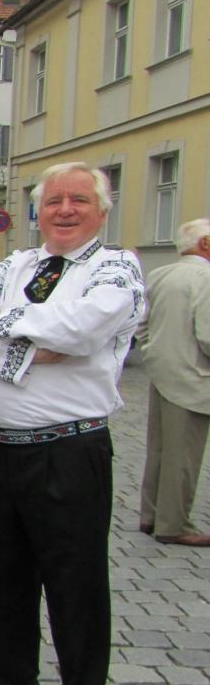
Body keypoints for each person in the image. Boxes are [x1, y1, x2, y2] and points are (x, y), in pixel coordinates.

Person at [0, 161, 145, 685]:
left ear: (102, 209)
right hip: (2, 448)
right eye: (54, 200)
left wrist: (8, 330)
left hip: (70, 451)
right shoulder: (15, 266)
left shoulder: (115, 268)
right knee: (6, 583)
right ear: (38, 210)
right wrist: (36, 348)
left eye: (79, 200)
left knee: (74, 593)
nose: (64, 209)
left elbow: (83, 328)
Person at [138, 218, 210, 547]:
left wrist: (153, 352)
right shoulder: (205, 277)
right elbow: (207, 336)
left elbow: (142, 326)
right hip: (194, 376)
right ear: (205, 244)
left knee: (159, 449)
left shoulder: (160, 274)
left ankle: (151, 515)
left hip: (162, 371)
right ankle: (174, 524)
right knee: (183, 455)